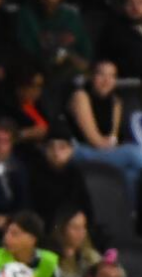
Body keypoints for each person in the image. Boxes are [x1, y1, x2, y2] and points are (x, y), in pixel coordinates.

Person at [67, 60, 142, 205]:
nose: (106, 81)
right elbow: (94, 139)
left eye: (111, 76)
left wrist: (113, 146)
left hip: (104, 151)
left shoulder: (116, 101)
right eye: (101, 75)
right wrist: (115, 148)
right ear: (91, 76)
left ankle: (128, 213)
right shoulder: (81, 96)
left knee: (131, 174)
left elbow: (113, 136)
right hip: (81, 150)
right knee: (134, 153)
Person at [29, 123, 92, 227]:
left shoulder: (76, 175)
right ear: (44, 149)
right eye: (51, 147)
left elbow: (87, 211)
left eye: (62, 147)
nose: (56, 153)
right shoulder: (35, 175)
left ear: (71, 150)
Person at [15, 0, 92, 75]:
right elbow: (29, 48)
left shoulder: (70, 15)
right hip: (35, 70)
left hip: (71, 71)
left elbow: (85, 59)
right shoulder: (26, 13)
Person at [50, 206, 102, 277]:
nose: (81, 232)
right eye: (75, 227)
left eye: (83, 227)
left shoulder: (91, 258)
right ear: (62, 229)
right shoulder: (50, 259)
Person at [99, 0, 142, 79]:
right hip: (125, 81)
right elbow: (104, 60)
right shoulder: (112, 30)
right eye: (130, 4)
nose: (135, 8)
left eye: (140, 3)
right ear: (123, 6)